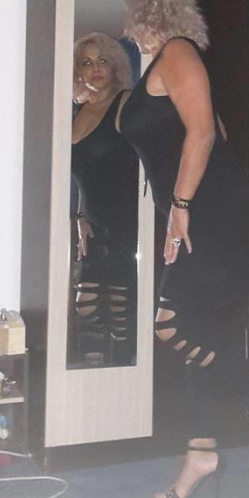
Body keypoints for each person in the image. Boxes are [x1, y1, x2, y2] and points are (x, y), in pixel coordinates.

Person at [118, 0, 249, 498]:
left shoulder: (177, 51)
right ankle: (200, 451)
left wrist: (182, 207)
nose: (129, 25)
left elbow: (203, 133)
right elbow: (214, 131)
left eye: (132, 14)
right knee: (194, 330)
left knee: (172, 325)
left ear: (144, 13)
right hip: (196, 209)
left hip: (203, 211)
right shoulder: (162, 65)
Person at [71, 31, 138, 367]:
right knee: (84, 305)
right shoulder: (75, 112)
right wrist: (78, 215)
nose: (95, 68)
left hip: (125, 222)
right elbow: (74, 175)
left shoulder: (126, 102)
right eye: (86, 62)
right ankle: (118, 357)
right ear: (77, 71)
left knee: (120, 309)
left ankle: (125, 369)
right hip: (94, 224)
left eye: (102, 60)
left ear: (114, 66)